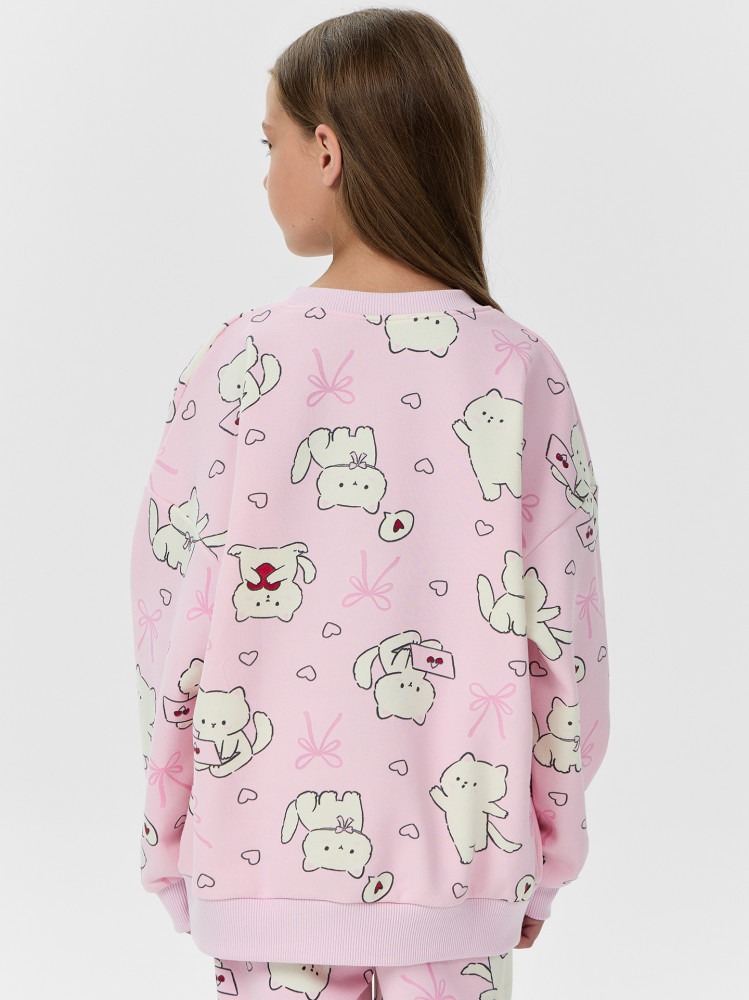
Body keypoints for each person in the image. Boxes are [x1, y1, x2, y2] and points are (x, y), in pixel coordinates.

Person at [129, 8, 611, 999]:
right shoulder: (517, 368)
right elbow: (565, 646)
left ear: (326, 149)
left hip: (257, 869)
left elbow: (171, 622)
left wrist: (171, 840)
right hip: (460, 876)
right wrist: (543, 852)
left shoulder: (241, 359)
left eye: (270, 144)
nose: (266, 174)